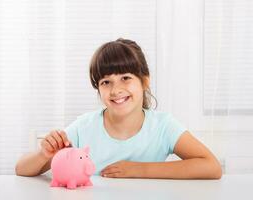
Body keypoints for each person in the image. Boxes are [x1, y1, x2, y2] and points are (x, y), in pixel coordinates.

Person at [15, 38, 222, 179]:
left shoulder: (163, 126)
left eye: (125, 78)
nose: (116, 90)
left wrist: (140, 170)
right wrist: (44, 155)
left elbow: (212, 167)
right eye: (106, 82)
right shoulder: (85, 127)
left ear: (144, 81)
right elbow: (21, 169)